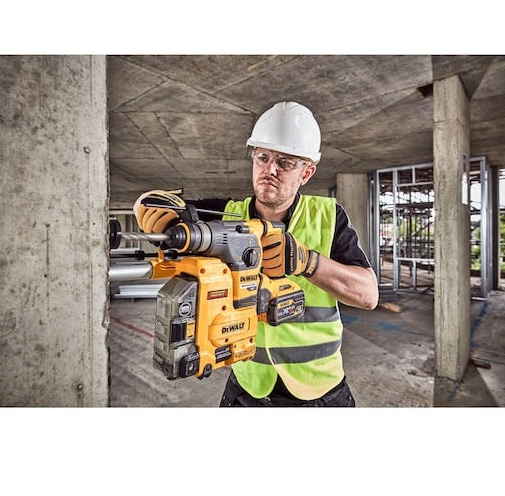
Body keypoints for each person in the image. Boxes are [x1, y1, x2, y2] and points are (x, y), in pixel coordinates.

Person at [134, 101, 379, 407]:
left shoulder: (328, 216)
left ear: (306, 173)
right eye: (263, 157)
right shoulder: (224, 215)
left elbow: (368, 296)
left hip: (319, 391)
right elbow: (158, 205)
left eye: (285, 162)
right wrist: (147, 205)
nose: (270, 170)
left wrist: (308, 262)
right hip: (248, 385)